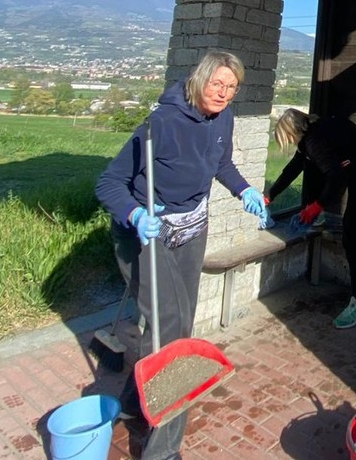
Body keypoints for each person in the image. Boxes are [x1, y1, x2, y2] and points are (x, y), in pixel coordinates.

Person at [95, 50, 268, 459]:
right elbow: (109, 184)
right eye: (216, 84)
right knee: (173, 335)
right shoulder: (160, 123)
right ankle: (162, 451)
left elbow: (220, 163)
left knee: (177, 322)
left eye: (231, 87)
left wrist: (243, 189)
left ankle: (138, 402)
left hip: (192, 229)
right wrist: (135, 214)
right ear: (198, 81)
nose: (223, 93)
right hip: (144, 234)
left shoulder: (222, 117)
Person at [268, 108, 356, 329]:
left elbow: (338, 180)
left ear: (292, 133)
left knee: (352, 234)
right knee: (315, 169)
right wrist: (270, 195)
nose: (291, 143)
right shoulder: (313, 135)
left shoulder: (315, 141)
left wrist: (315, 207)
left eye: (288, 139)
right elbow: (294, 168)